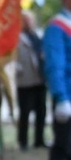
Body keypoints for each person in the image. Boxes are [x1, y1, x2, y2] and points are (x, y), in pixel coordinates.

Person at [44, 0, 71, 160]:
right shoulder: (57, 27)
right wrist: (61, 97)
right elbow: (55, 64)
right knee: (63, 149)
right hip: (67, 99)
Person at [16, 10, 47, 150]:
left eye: (30, 20)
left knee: (41, 111)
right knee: (25, 112)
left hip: (39, 79)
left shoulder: (38, 36)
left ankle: (39, 140)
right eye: (25, 20)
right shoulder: (16, 38)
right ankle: (23, 141)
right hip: (25, 81)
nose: (28, 22)